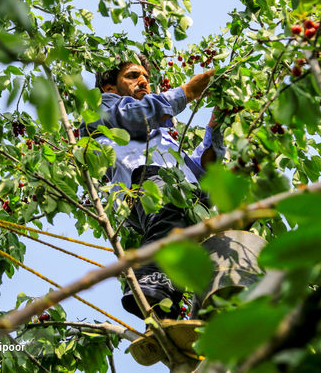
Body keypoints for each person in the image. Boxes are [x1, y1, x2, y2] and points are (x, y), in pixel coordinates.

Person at [84, 54, 225, 321]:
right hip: (144, 180)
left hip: (186, 198)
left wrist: (217, 125)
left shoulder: (164, 139)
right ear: (110, 88)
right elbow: (137, 115)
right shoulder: (104, 108)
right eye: (133, 75)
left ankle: (174, 319)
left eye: (147, 78)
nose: (143, 82)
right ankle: (147, 288)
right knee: (169, 212)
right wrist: (187, 92)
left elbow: (203, 170)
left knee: (201, 256)